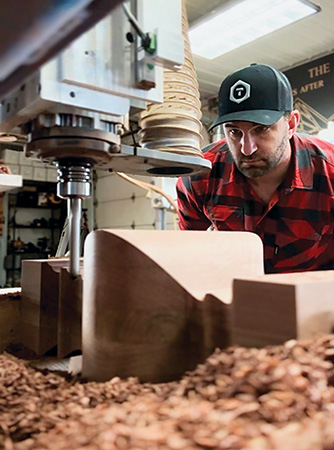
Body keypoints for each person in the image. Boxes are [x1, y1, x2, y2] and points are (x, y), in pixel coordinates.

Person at [176, 63, 334, 273]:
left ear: (291, 124)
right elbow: (188, 253)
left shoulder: (329, 173)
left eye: (261, 129)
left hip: (316, 296)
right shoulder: (199, 176)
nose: (247, 148)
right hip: (238, 293)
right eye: (234, 132)